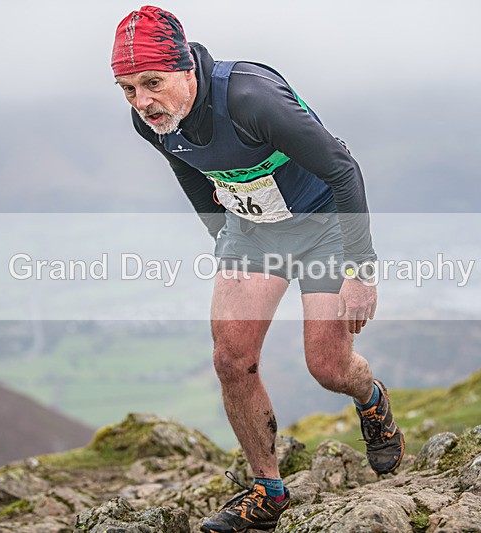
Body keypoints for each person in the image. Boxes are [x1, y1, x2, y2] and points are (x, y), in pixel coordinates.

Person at [111, 6, 404, 532]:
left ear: (187, 69)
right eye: (128, 89)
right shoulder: (150, 119)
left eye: (151, 83)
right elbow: (191, 173)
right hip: (253, 233)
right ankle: (267, 490)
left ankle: (372, 398)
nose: (142, 102)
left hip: (323, 226)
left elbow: (343, 170)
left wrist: (361, 271)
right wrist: (224, 242)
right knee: (231, 359)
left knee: (328, 367)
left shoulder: (249, 98)